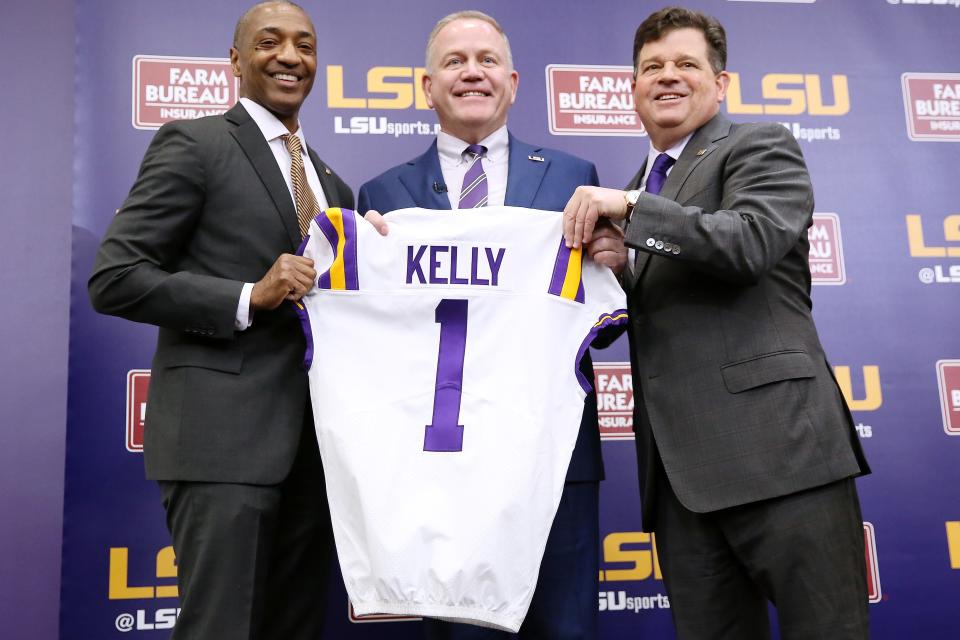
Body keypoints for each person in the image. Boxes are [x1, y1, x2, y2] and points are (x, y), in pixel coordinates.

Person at [562, 6, 871, 639]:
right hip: (681, 486)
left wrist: (632, 211)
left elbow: (749, 243)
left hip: (782, 459)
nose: (666, 77)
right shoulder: (639, 189)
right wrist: (619, 268)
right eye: (652, 67)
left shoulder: (759, 143)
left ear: (721, 83)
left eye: (685, 64)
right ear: (633, 90)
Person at [88, 2, 363, 638]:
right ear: (236, 61)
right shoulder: (196, 143)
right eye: (269, 42)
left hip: (317, 456)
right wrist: (247, 295)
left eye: (305, 45)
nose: (291, 56)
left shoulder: (333, 187)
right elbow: (115, 276)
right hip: (222, 446)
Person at [358, 11, 603, 640]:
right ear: (427, 86)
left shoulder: (577, 179)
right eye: (455, 61)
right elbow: (372, 342)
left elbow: (598, 320)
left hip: (550, 452)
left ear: (514, 81)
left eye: (488, 60)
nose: (473, 73)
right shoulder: (381, 195)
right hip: (439, 460)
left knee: (562, 626)